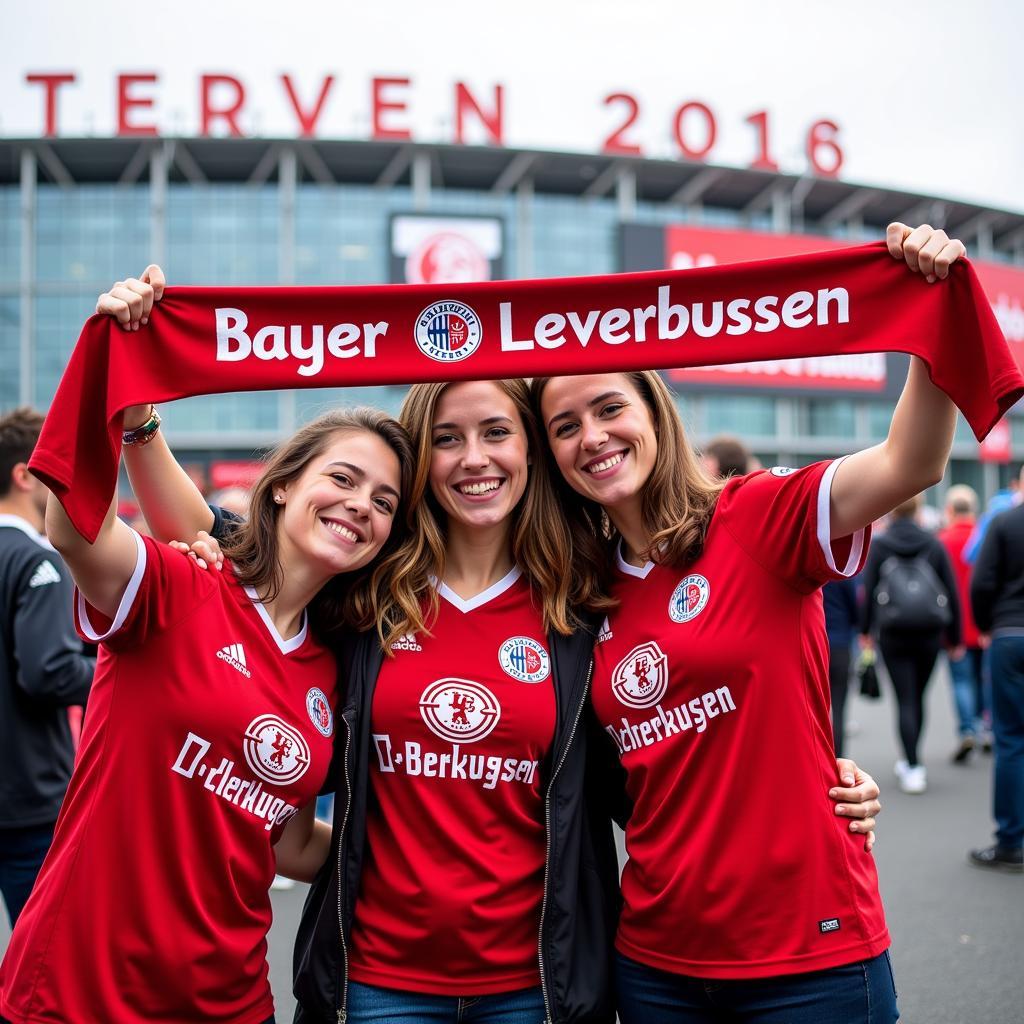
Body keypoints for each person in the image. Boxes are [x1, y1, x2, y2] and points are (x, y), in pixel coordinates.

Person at [96, 269, 881, 1024]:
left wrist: (819, 780)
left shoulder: (582, 598)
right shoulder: (366, 589)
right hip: (378, 983)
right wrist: (138, 409)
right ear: (420, 461)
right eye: (447, 439)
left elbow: (651, 758)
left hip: (532, 984)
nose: (474, 458)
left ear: (530, 452)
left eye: (498, 432)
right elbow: (219, 542)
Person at [533, 221, 961, 1023]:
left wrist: (924, 314)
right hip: (656, 964)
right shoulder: (577, 595)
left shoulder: (758, 515)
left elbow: (914, 462)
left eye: (607, 407)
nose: (591, 437)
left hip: (812, 953)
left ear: (653, 412)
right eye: (564, 426)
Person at [0, 404, 413, 1024]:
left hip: (232, 999)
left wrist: (428, 848)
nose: (362, 506)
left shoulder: (334, 670)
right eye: (344, 479)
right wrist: (110, 388)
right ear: (281, 485)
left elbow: (292, 844)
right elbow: (75, 530)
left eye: (385, 502)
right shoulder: (186, 583)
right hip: (80, 990)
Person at [0, 408, 94, 927]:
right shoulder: (37, 558)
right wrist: (113, 670)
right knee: (47, 963)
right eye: (55, 467)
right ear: (22, 475)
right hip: (28, 796)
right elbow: (47, 673)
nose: (67, 478)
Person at [862, 493, 961, 794]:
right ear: (919, 511)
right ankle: (914, 760)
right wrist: (954, 638)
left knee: (904, 697)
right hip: (930, 633)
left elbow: (868, 590)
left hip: (893, 633)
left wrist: (865, 630)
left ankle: (912, 764)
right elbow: (951, 591)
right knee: (918, 696)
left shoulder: (880, 545)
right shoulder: (933, 543)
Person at [969, 466, 1024, 873]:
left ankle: (1010, 841)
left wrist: (988, 625)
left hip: (1010, 634)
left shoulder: (1003, 522)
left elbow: (982, 582)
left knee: (1010, 739)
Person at [938, 484, 986, 763]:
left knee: (961, 681)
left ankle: (968, 728)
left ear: (950, 510)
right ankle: (984, 726)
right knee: (983, 679)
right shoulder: (984, 537)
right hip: (984, 625)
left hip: (956, 626)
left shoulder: (943, 541)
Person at [824, 575, 860, 757]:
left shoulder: (803, 570)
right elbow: (856, 607)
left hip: (809, 645)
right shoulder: (842, 572)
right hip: (840, 644)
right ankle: (838, 761)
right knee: (838, 708)